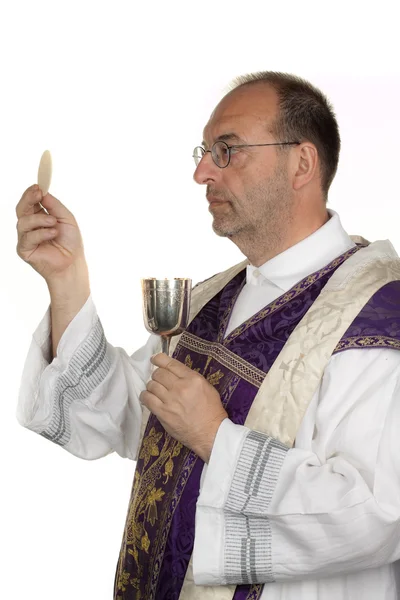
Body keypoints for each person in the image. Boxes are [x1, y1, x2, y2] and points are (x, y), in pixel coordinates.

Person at [16, 71, 400, 600]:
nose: (202, 172)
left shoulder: (377, 320)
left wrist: (215, 438)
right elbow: (130, 414)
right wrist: (67, 280)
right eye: (204, 150)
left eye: (228, 150)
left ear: (302, 164)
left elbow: (377, 517)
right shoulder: (212, 299)